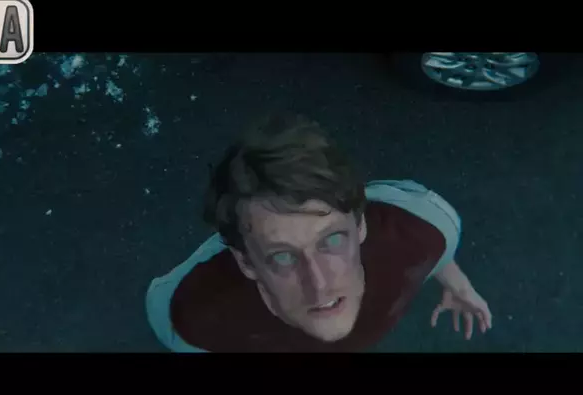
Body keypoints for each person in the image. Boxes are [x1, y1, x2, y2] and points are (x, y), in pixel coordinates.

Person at [146, 113, 492, 352]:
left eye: (332, 240)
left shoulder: (425, 224)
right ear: (246, 263)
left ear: (360, 225)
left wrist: (456, 282)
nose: (320, 286)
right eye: (282, 256)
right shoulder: (193, 315)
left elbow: (432, 245)